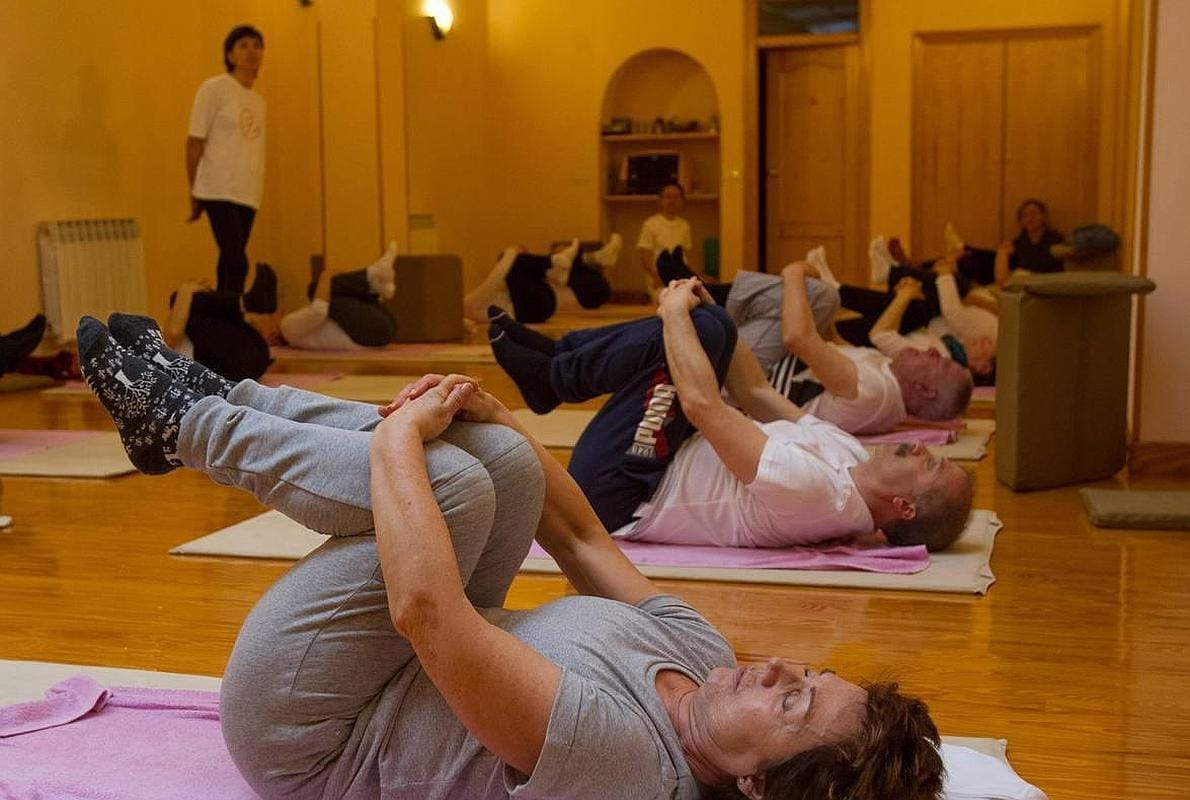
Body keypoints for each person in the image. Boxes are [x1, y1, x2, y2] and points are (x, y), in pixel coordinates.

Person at [76, 313, 946, 800]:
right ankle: (213, 397)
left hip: (308, 731)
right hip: (389, 663)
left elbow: (430, 615)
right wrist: (499, 416)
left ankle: (190, 420)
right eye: (810, 671)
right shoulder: (703, 660)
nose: (780, 667)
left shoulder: (634, 769)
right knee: (493, 467)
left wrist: (398, 445)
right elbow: (578, 537)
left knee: (448, 483)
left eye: (794, 701)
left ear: (758, 789)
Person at [489, 279, 974, 552]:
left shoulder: (820, 495)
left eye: (928, 464)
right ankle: (555, 368)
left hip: (621, 489)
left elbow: (704, 407)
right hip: (658, 454)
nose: (919, 447)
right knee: (714, 325)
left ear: (903, 508)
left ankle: (555, 374)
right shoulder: (848, 454)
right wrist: (713, 313)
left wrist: (673, 312)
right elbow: (757, 391)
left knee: (695, 327)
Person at [729, 262, 973, 433]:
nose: (932, 351)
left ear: (924, 388)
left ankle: (706, 296)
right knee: (824, 299)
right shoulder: (886, 379)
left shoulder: (873, 391)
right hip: (761, 368)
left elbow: (797, 338)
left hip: (745, 381)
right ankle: (709, 297)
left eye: (938, 360)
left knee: (819, 294)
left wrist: (795, 272)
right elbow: (830, 342)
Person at [187, 25, 267, 294]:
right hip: (217, 188)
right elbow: (195, 141)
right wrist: (194, 189)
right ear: (230, 55)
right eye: (243, 45)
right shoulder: (215, 89)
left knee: (228, 261)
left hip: (247, 193)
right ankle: (231, 319)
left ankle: (224, 324)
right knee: (238, 261)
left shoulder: (259, 102)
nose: (251, 51)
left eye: (256, 45)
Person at [836, 252, 998, 383]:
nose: (983, 338)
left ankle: (840, 290)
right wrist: (906, 297)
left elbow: (881, 336)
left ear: (983, 367)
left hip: (852, 343)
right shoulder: (948, 348)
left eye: (987, 345)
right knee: (919, 308)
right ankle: (841, 290)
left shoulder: (936, 359)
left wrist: (903, 298)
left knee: (916, 309)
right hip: (864, 334)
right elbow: (937, 319)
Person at [462, 236, 621, 325]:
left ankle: (582, 259)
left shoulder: (490, 298)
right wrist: (511, 251)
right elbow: (494, 279)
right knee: (516, 261)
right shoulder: (469, 304)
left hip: (541, 306)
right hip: (533, 309)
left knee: (519, 262)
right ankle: (561, 261)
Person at [162, 262, 276, 382]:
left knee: (198, 300)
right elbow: (172, 334)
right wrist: (185, 291)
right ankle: (249, 301)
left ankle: (248, 301)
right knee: (179, 298)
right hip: (235, 363)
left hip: (250, 357)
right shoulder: (155, 344)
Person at [279, 243, 399, 350]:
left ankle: (374, 283)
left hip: (382, 328)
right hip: (372, 332)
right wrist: (325, 277)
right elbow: (318, 311)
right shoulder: (286, 326)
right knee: (314, 288)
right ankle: (372, 278)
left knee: (325, 289)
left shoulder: (295, 334)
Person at [638, 183, 714, 291]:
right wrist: (656, 278)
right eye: (668, 197)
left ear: (682, 200)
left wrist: (699, 276)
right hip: (659, 279)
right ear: (661, 200)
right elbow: (645, 258)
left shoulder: (684, 225)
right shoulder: (650, 224)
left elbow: (688, 257)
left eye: (676, 197)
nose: (672, 201)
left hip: (682, 279)